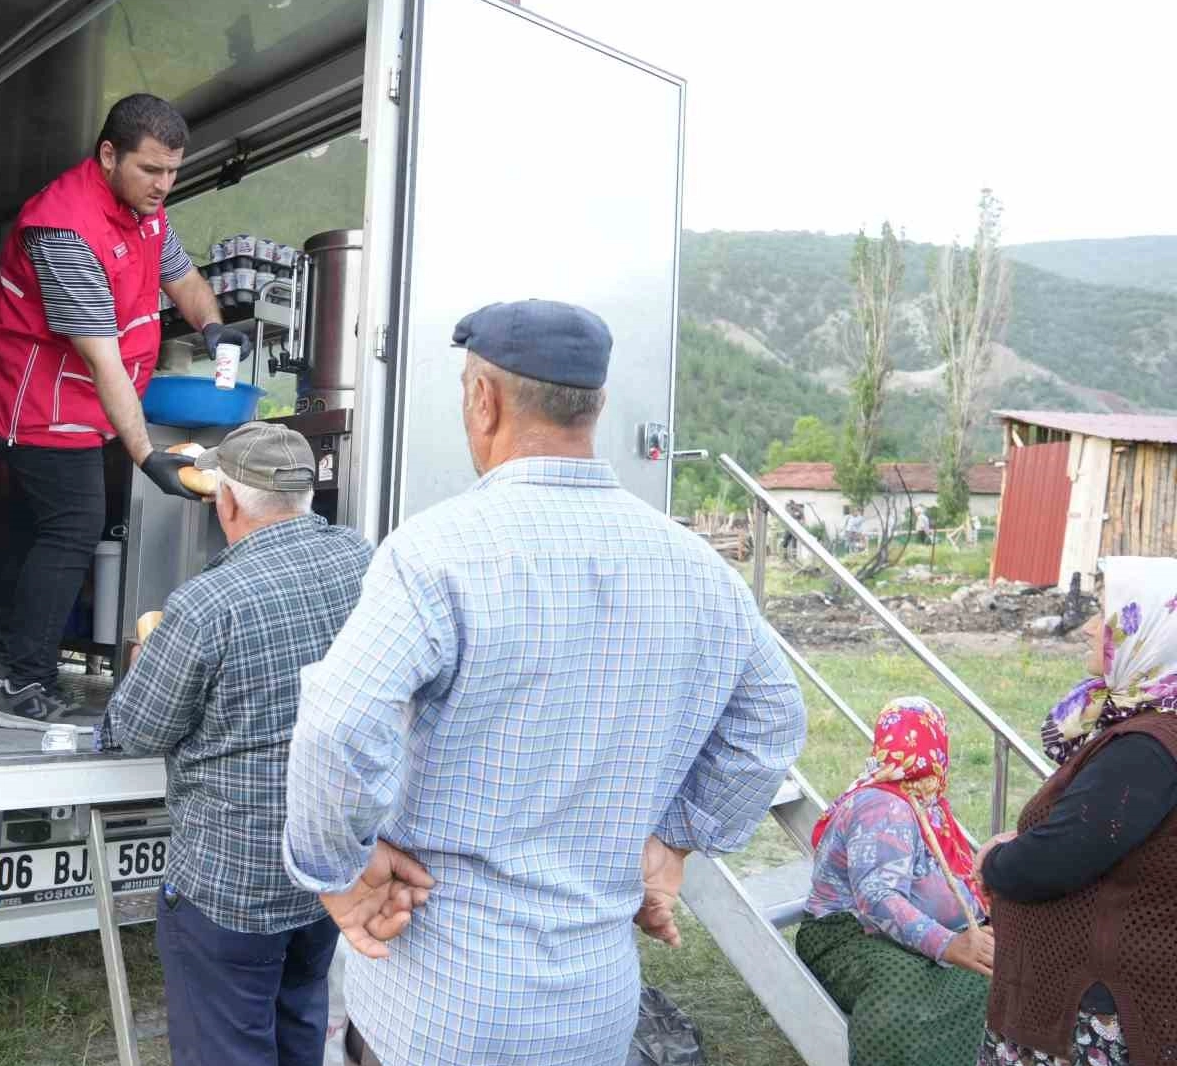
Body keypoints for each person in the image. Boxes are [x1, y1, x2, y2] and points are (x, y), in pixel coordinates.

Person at [280, 299, 808, 1065]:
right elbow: (770, 721)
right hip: (595, 1011)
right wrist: (676, 841)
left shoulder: (437, 552)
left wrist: (338, 871)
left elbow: (337, 726)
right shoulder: (698, 569)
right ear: (590, 409)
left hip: (441, 1004)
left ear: (482, 399)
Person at [0, 92, 253, 730]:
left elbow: (180, 277)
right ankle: (23, 689)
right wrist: (147, 454)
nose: (164, 184)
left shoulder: (144, 209)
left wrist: (213, 327)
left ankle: (3, 653)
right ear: (108, 155)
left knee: (41, 523)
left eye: (173, 170)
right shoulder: (64, 229)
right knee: (73, 524)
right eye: (151, 170)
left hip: (85, 399)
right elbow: (101, 357)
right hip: (34, 400)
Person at [104, 422, 373, 1066]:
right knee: (300, 1026)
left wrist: (149, 657)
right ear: (308, 495)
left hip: (232, 886)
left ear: (224, 503)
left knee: (227, 1046)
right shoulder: (368, 563)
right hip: (328, 868)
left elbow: (136, 731)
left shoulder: (206, 604)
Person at [976, 556, 1177, 1066]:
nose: (1089, 626)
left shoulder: (1145, 749)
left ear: (1150, 629)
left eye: (1106, 613)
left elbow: (1060, 858)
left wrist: (996, 863)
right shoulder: (1150, 725)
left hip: (1093, 1015)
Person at [796, 697, 992, 1066]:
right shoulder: (882, 805)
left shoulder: (925, 803)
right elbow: (877, 896)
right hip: (842, 935)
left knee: (981, 973)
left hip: (888, 931)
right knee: (903, 985)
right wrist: (948, 944)